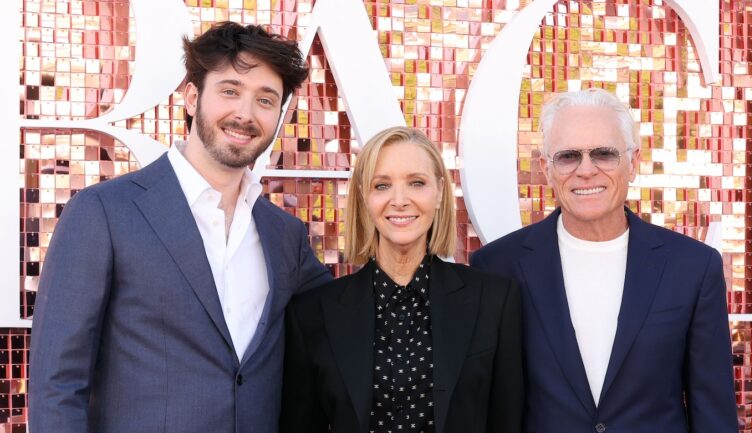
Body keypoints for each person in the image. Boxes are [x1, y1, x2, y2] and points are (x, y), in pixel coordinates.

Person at [28, 21, 331, 433]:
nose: (245, 113)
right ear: (191, 97)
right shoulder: (103, 212)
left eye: (265, 100)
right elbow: (56, 385)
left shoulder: (285, 236)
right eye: (230, 91)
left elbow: (346, 316)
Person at [471, 88, 737, 432]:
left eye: (604, 154)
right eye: (568, 156)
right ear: (546, 168)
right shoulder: (497, 267)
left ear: (633, 163)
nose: (586, 170)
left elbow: (713, 411)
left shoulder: (693, 267)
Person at [280, 126, 523, 433]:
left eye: (416, 183)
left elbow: (509, 421)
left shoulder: (494, 301)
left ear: (438, 193)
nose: (399, 200)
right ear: (364, 199)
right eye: (382, 186)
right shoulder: (312, 314)